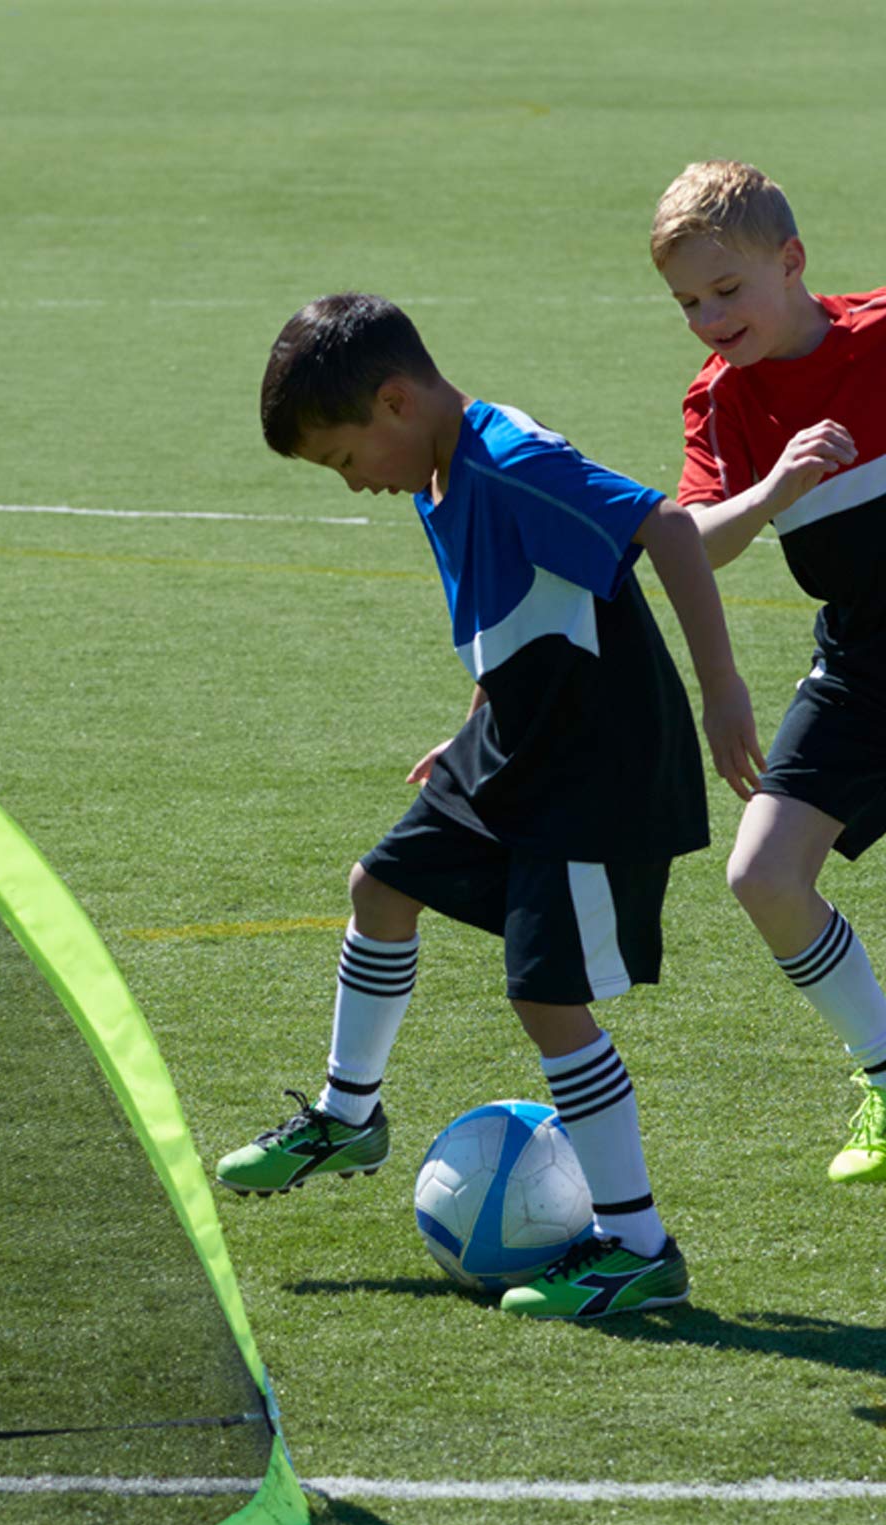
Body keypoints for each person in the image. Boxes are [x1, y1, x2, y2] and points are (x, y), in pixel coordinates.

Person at [214, 293, 762, 1320]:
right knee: (379, 886)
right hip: (510, 742)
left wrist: (720, 689)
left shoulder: (509, 461)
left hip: (593, 771)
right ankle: (348, 1114)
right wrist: (472, 714)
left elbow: (671, 531)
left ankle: (637, 1248)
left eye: (341, 459)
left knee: (544, 997)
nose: (352, 482)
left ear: (392, 398)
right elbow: (512, 601)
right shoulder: (434, 467)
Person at [651, 159, 886, 1185]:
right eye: (686, 301)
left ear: (789, 263)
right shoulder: (723, 401)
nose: (706, 317)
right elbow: (689, 540)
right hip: (862, 659)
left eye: (724, 290)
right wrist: (777, 483)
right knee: (760, 873)